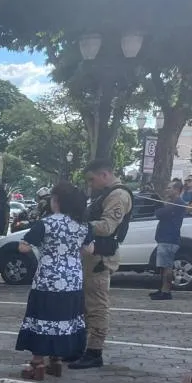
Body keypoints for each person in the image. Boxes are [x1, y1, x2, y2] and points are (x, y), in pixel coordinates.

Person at [15, 182, 93, 379]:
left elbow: (24, 247)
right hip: (73, 280)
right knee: (63, 319)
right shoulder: (82, 224)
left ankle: (37, 363)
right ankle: (56, 360)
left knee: (42, 318)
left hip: (47, 280)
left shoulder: (47, 223)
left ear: (56, 201)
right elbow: (89, 249)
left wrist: (43, 249)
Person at [69, 159, 133, 370]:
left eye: (92, 179)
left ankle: (94, 351)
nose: (90, 184)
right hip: (93, 254)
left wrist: (78, 226)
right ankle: (83, 348)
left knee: (96, 305)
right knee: (87, 304)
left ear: (104, 174)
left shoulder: (118, 195)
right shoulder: (106, 194)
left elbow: (107, 227)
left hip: (101, 257)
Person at [151, 185, 186, 300]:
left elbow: (160, 214)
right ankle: (162, 289)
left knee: (167, 267)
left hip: (169, 239)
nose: (167, 190)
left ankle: (166, 292)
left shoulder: (177, 203)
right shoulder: (172, 203)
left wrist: (160, 204)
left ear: (177, 190)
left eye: (170, 188)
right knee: (163, 266)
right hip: (165, 239)